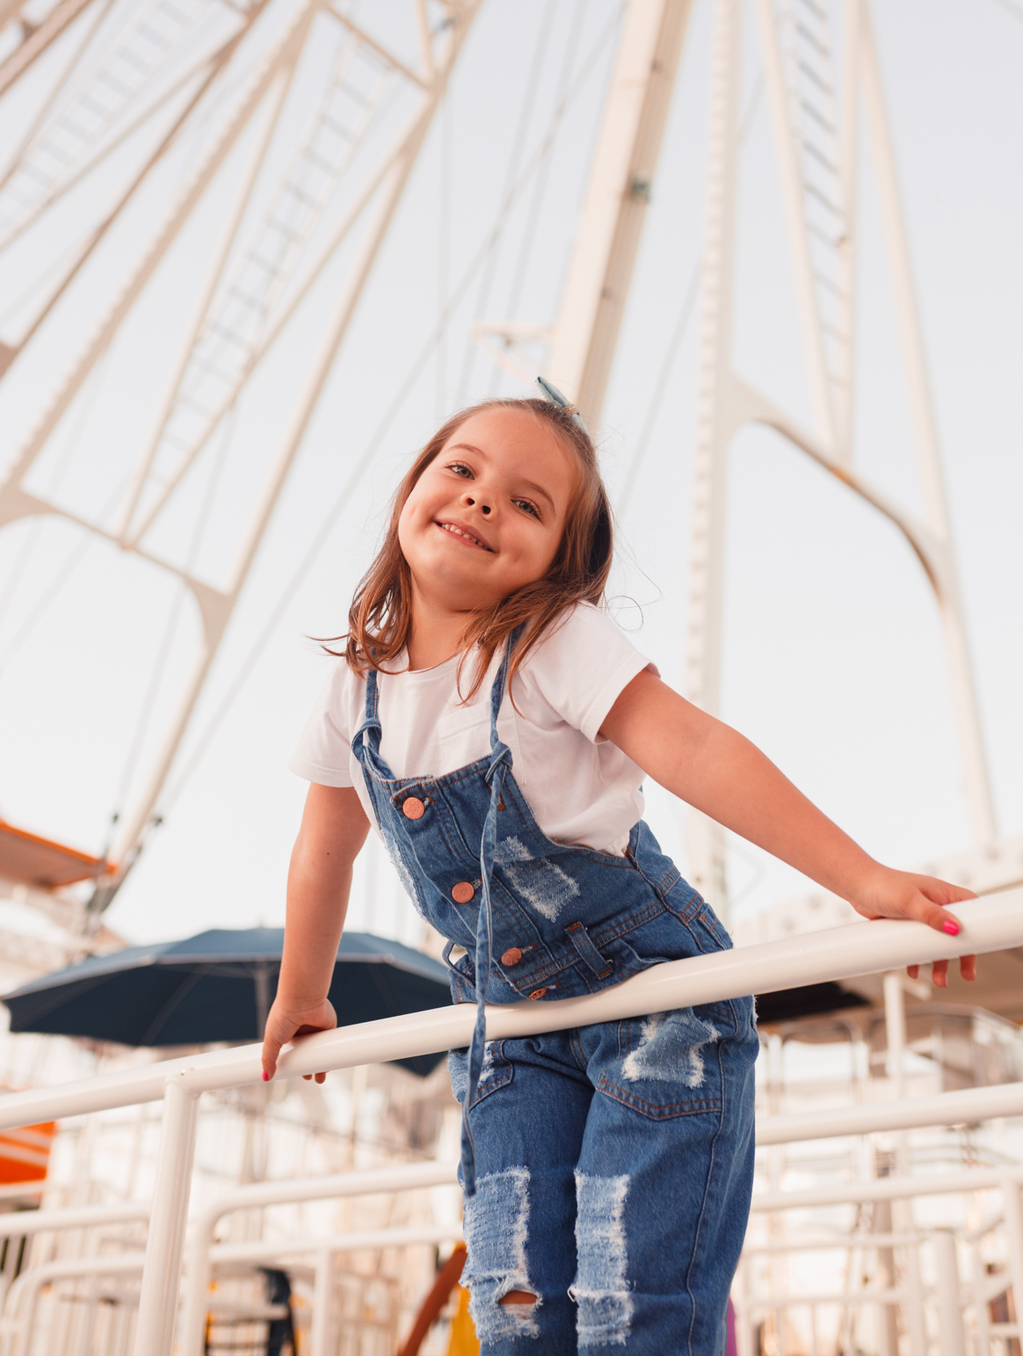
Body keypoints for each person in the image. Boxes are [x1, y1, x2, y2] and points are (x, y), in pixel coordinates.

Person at [262, 393, 976, 1355]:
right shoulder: (356, 691)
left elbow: (692, 746)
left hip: (654, 1000)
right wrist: (305, 992)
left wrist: (864, 879)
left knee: (633, 1308)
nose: (481, 504)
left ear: (561, 559)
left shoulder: (551, 641)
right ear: (414, 488)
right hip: (512, 1028)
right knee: (517, 1313)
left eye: (527, 504)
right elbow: (323, 848)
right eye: (462, 472)